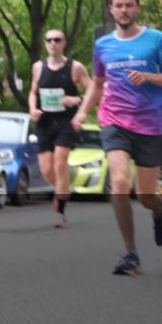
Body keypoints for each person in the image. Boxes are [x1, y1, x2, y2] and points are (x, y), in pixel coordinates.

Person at [71, 0, 162, 276]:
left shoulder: (156, 39)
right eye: (118, 5)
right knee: (119, 183)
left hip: (150, 124)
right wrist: (83, 112)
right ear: (110, 9)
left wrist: (148, 76)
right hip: (114, 120)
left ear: (138, 8)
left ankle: (159, 211)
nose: (124, 10)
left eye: (129, 5)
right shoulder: (103, 45)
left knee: (145, 195)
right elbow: (97, 82)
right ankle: (131, 253)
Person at [29, 29, 92, 228]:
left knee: (59, 162)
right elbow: (33, 92)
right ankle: (64, 190)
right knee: (46, 169)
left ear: (64, 43)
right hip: (45, 122)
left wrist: (77, 100)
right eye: (49, 40)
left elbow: (93, 90)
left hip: (67, 122)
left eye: (57, 40)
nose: (52, 43)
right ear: (45, 43)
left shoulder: (76, 68)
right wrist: (33, 109)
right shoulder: (38, 67)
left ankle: (60, 212)